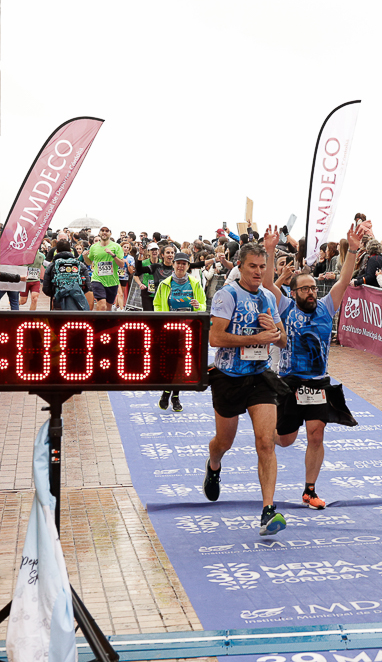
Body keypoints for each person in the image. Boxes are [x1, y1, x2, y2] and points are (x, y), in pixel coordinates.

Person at [263, 223, 361, 510]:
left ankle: (310, 490)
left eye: (313, 288)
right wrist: (270, 251)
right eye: (304, 289)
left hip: (317, 382)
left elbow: (344, 279)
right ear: (293, 292)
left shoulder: (327, 307)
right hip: (289, 382)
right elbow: (268, 285)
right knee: (285, 440)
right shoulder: (285, 307)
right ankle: (264, 432)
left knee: (316, 434)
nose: (311, 292)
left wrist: (353, 250)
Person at [202, 242, 290, 537]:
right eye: (252, 266)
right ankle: (214, 465)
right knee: (223, 442)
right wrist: (255, 338)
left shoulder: (268, 297)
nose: (258, 272)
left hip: (259, 377)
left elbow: (283, 341)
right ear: (239, 266)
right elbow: (215, 338)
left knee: (266, 442)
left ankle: (268, 510)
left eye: (262, 267)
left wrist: (273, 332)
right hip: (227, 377)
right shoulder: (226, 295)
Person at [153, 252, 207, 412]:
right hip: (169, 329)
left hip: (188, 330)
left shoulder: (195, 283)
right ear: (173, 265)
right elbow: (157, 304)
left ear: (188, 266)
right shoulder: (165, 284)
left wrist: (197, 306)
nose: (181, 266)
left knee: (181, 364)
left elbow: (203, 305)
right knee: (170, 363)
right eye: (178, 263)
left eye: (184, 263)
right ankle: (168, 393)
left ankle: (173, 396)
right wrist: (160, 321)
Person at [84, 226, 126, 311]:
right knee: (102, 305)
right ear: (99, 233)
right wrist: (85, 256)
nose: (104, 232)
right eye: (102, 230)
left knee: (108, 307)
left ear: (110, 233)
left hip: (112, 281)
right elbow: (89, 262)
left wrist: (113, 255)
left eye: (107, 231)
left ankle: (104, 320)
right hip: (97, 279)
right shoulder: (94, 247)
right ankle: (99, 320)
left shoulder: (116, 246)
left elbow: (121, 264)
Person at [42, 239, 90, 311]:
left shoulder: (52, 266)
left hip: (58, 300)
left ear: (56, 251)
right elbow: (88, 286)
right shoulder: (79, 265)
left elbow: (46, 288)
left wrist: (56, 294)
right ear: (70, 250)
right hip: (77, 301)